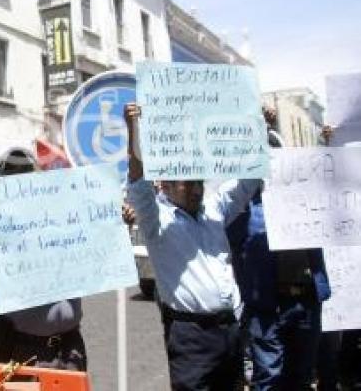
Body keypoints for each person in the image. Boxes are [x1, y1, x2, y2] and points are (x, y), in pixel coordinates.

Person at [124, 102, 262, 390]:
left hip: (231, 331)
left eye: (199, 182)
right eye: (189, 183)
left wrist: (259, 128)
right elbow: (137, 182)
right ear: (166, 185)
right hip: (192, 338)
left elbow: (249, 178)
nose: (197, 189)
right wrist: (133, 129)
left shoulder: (215, 209)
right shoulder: (156, 221)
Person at [226, 107, 331, 390]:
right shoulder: (243, 208)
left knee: (301, 375)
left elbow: (334, 180)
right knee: (269, 377)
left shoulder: (306, 197)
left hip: (305, 303)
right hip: (266, 307)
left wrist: (328, 143)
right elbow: (233, 242)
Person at [0, 150, 88, 371]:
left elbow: (97, 255)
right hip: (20, 350)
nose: (19, 182)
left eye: (26, 173)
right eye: (11, 175)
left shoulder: (61, 217)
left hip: (70, 349)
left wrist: (116, 222)